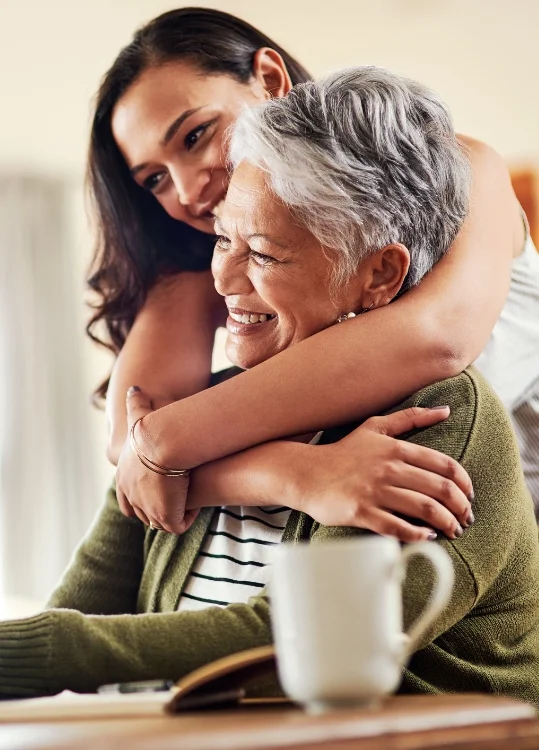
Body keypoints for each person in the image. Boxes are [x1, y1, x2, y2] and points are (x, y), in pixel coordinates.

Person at [1, 67, 537, 705]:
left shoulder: (440, 417)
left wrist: (53, 652)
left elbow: (304, 643)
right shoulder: (207, 412)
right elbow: (81, 601)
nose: (223, 280)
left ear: (378, 275)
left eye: (262, 253)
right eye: (222, 238)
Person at [86, 8, 538, 537]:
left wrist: (167, 444)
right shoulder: (211, 259)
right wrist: (294, 475)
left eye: (195, 136)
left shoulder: (463, 169)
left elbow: (437, 340)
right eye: (156, 179)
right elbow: (131, 442)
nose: (188, 192)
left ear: (270, 80)